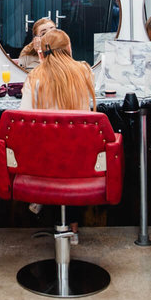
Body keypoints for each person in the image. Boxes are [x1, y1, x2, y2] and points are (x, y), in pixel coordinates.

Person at [19, 29, 96, 242]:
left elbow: (24, 120)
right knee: (70, 164)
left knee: (50, 154)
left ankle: (42, 203)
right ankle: (72, 229)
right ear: (69, 48)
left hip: (45, 160)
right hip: (81, 159)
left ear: (42, 53)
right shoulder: (85, 71)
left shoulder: (35, 77)